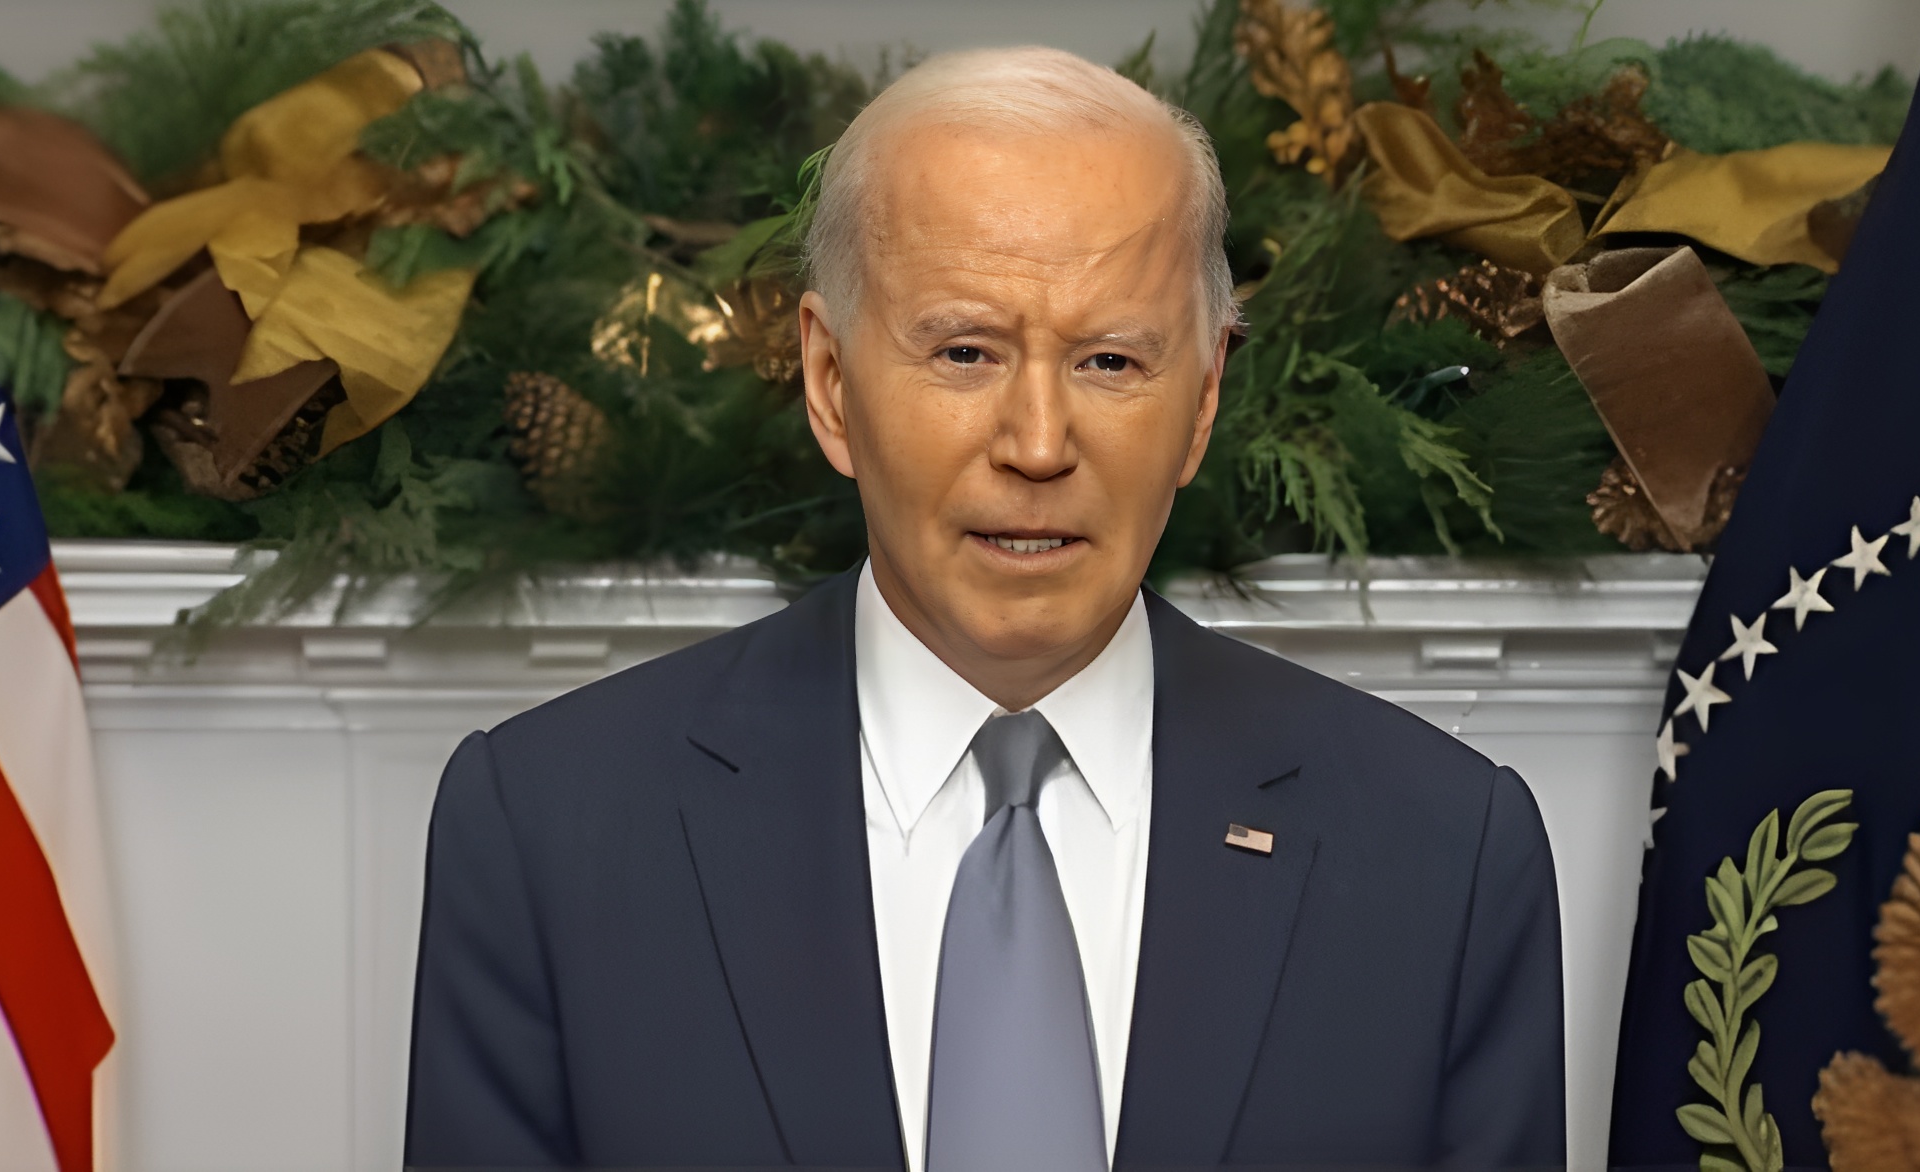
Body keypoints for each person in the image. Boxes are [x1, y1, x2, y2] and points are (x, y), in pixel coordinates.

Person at [405, 45, 1564, 1172]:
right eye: (965, 350)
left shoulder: (1445, 856)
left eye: (1111, 361)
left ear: (1203, 398)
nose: (1039, 444)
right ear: (830, 382)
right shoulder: (547, 833)